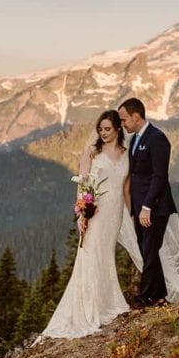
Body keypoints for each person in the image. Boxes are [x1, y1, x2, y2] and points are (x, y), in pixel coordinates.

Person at [39, 110, 132, 339]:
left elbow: (126, 188)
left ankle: (106, 302)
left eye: (107, 129)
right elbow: (82, 185)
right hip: (96, 212)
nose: (103, 133)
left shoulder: (126, 154)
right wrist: (82, 214)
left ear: (118, 129)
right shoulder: (92, 151)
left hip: (115, 212)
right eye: (100, 129)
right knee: (91, 255)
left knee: (105, 255)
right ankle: (89, 310)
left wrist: (133, 213)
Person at [118, 97, 179, 308]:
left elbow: (159, 176)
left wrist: (147, 207)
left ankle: (143, 298)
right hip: (139, 206)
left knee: (150, 251)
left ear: (136, 116)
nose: (122, 124)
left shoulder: (157, 138)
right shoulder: (135, 140)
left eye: (124, 120)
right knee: (147, 251)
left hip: (155, 207)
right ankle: (160, 295)